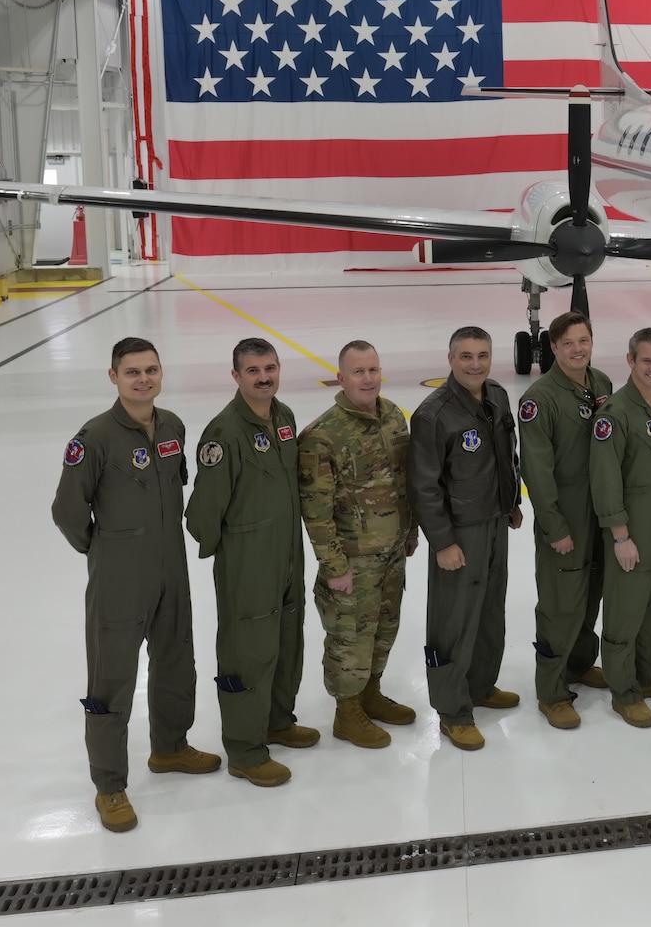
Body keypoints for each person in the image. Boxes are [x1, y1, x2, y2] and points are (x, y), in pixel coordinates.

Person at [52, 337, 219, 834]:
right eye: (132, 372)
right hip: (120, 576)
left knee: (175, 661)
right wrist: (104, 550)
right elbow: (67, 511)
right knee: (112, 679)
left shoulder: (172, 426)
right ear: (113, 378)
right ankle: (109, 786)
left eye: (151, 370)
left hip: (172, 567)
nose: (143, 379)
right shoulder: (95, 437)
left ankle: (169, 748)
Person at [186, 339, 317, 789]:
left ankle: (277, 720)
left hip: (287, 551)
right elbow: (203, 514)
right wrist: (234, 554)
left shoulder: (284, 417)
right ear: (236, 376)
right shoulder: (223, 434)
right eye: (253, 370)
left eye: (270, 368)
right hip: (248, 558)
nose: (264, 377)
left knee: (286, 638)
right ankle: (244, 749)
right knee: (248, 650)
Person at [298, 340, 419, 750]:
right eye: (358, 372)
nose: (367, 379)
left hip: (391, 553)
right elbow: (316, 513)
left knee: (385, 630)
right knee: (350, 639)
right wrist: (335, 568)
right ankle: (347, 714)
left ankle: (370, 695)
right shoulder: (322, 436)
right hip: (353, 562)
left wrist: (411, 532)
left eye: (373, 370)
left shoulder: (394, 419)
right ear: (341, 377)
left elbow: (405, 483)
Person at [409, 327, 523, 752]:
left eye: (482, 355)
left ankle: (480, 687)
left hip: (495, 522)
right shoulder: (433, 414)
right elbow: (423, 486)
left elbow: (506, 453)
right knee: (453, 621)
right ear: (451, 359)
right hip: (460, 533)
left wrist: (510, 501)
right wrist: (443, 542)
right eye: (466, 356)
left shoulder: (496, 395)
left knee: (491, 610)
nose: (475, 364)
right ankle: (452, 711)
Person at [592, 328, 651, 728]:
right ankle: (624, 690)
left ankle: (648, 676)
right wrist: (620, 535)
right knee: (625, 611)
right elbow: (605, 478)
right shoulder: (614, 414)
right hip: (633, 526)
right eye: (646, 361)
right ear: (630, 361)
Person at [520, 311, 612, 730]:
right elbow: (536, 472)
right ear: (553, 348)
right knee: (560, 605)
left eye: (584, 341)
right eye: (569, 343)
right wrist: (554, 527)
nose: (578, 350)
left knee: (591, 593)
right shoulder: (539, 399)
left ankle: (578, 665)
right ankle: (551, 691)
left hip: (601, 514)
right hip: (566, 515)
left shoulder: (603, 385)